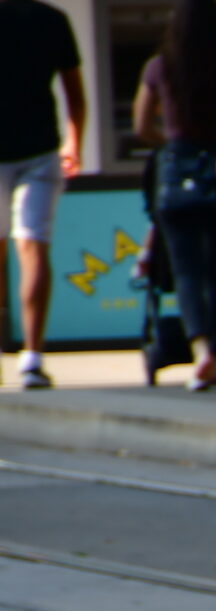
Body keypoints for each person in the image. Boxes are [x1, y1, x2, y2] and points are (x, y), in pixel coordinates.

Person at [133, 0, 216, 392]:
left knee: (185, 270)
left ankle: (200, 349)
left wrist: (168, 145)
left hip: (175, 173)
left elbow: (139, 124)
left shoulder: (160, 66)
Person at [0, 0, 87, 391]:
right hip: (41, 151)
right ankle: (32, 358)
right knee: (33, 247)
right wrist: (75, 142)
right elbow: (76, 95)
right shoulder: (52, 20)